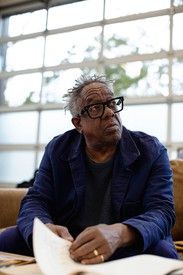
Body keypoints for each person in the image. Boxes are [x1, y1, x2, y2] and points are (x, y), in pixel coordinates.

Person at [0, 75, 178, 263]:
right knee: (7, 240)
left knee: (163, 254)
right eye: (96, 108)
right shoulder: (58, 149)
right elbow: (36, 199)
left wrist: (120, 233)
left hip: (126, 243)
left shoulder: (151, 150)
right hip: (71, 243)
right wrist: (45, 228)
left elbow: (162, 210)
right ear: (78, 124)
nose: (110, 112)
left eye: (112, 103)